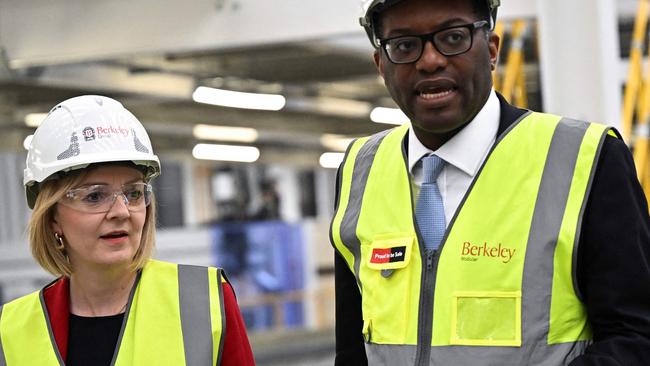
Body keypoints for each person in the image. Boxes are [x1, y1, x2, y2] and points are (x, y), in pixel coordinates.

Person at [330, 0, 650, 365]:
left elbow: (636, 337)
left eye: (453, 38)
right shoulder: (360, 169)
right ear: (380, 65)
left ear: (492, 50)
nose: (430, 60)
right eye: (404, 46)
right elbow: (352, 349)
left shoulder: (586, 159)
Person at [0, 95, 255, 365]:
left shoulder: (205, 303)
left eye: (133, 193)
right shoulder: (11, 331)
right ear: (52, 218)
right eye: (95, 196)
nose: (121, 212)